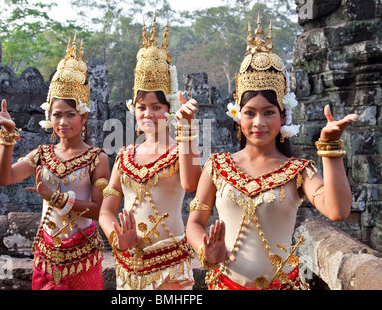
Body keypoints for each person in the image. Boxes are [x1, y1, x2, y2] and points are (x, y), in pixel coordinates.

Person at [186, 15, 358, 290]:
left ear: (283, 116)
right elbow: (194, 223)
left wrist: (330, 148)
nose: (259, 123)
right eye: (250, 113)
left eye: (269, 113)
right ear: (238, 116)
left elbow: (337, 211)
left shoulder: (298, 171)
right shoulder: (217, 166)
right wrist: (205, 251)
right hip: (225, 284)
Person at [0, 37, 110, 290]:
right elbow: (3, 178)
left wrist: (55, 197)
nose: (63, 122)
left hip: (82, 255)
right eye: (57, 115)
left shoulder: (97, 158)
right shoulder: (42, 154)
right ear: (49, 117)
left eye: (71, 115)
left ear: (83, 116)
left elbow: (99, 211)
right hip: (46, 253)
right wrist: (8, 135)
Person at [99, 15, 201, 290]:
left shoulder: (182, 150)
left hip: (172, 268)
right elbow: (106, 211)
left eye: (157, 107)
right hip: (129, 265)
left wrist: (188, 131)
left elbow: (191, 185)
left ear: (170, 109)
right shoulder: (124, 156)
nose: (148, 114)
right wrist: (116, 238)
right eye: (142, 106)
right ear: (134, 109)